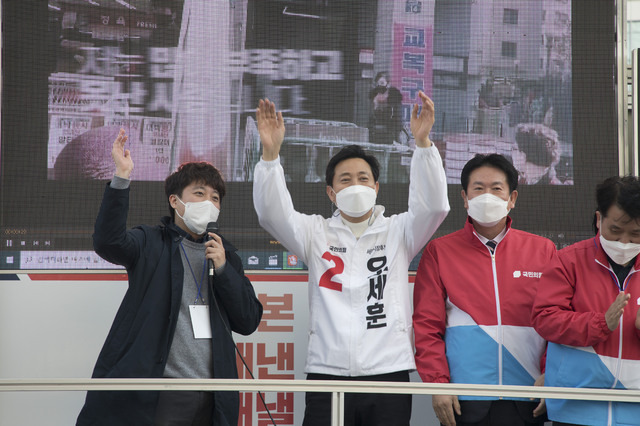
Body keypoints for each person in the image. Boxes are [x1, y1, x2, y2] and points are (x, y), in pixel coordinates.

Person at [253, 91, 450, 426]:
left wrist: (423, 144)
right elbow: (273, 214)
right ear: (331, 192)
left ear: (376, 188)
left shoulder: (399, 232)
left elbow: (433, 207)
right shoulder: (315, 232)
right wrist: (270, 157)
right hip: (327, 374)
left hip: (388, 373)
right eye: (345, 180)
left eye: (363, 179)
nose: (355, 185)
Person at [76, 129, 263, 426]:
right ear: (175, 201)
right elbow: (108, 242)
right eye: (199, 193)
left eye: (215, 198)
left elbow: (248, 320)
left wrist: (225, 270)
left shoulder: (225, 254)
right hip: (160, 393)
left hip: (214, 395)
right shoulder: (150, 242)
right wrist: (122, 177)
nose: (209, 203)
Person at [413, 153, 556, 426]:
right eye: (478, 188)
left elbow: (557, 321)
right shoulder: (440, 251)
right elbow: (426, 325)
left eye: (496, 188)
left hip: (528, 394)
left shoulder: (543, 250)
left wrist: (553, 375)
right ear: (465, 198)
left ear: (512, 198)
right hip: (465, 398)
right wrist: (438, 384)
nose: (486, 196)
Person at [531, 176, 640, 426]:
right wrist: (600, 323)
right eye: (615, 230)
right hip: (576, 404)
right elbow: (544, 319)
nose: (624, 242)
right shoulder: (567, 261)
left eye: (635, 234)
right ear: (599, 219)